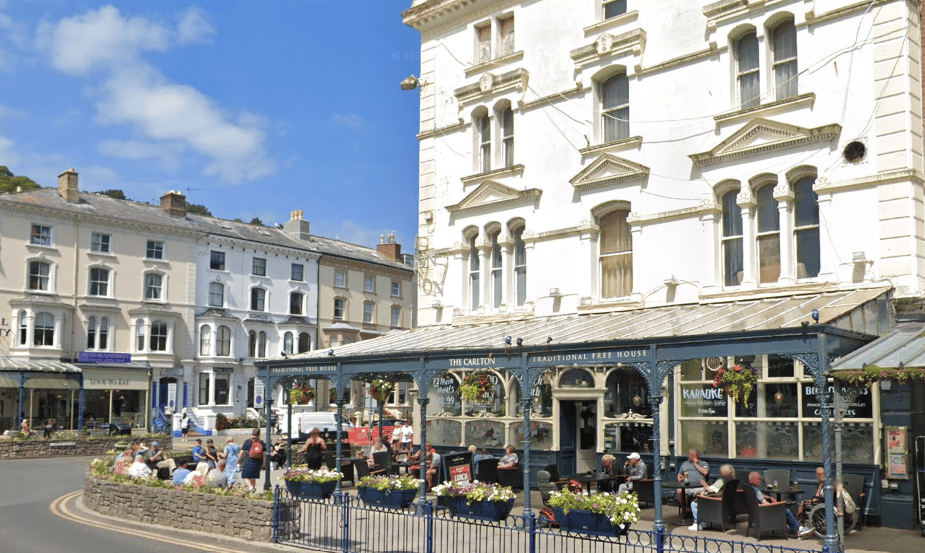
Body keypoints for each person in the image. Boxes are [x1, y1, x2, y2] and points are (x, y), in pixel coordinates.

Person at [749, 472, 814, 538]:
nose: (761, 480)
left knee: (784, 510)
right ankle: (799, 529)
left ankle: (797, 529)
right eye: (759, 479)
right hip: (765, 513)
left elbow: (760, 496)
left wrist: (769, 497)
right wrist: (778, 504)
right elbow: (765, 504)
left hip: (758, 513)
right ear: (753, 480)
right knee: (786, 510)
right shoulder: (757, 491)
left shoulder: (751, 488)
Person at [688, 464, 735, 531]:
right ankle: (704, 522)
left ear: (723, 472)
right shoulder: (732, 480)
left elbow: (710, 490)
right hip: (725, 503)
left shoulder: (721, 481)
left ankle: (697, 524)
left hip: (716, 503)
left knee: (694, 503)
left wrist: (704, 484)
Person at [677, 449, 710, 513]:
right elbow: (680, 474)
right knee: (679, 491)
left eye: (691, 455)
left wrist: (696, 464)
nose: (689, 456)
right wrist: (679, 477)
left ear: (696, 456)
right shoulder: (684, 464)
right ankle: (686, 509)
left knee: (701, 493)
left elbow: (705, 472)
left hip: (698, 486)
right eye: (689, 454)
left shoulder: (703, 463)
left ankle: (699, 511)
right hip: (686, 486)